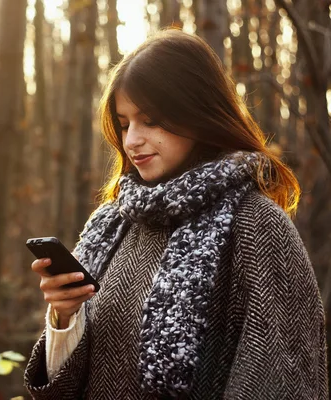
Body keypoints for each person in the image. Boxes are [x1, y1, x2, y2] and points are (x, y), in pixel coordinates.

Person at [23, 28, 328, 399]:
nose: (132, 139)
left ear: (198, 114)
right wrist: (64, 317)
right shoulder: (112, 223)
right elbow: (62, 389)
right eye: (124, 124)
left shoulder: (256, 225)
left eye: (150, 120)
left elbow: (282, 379)